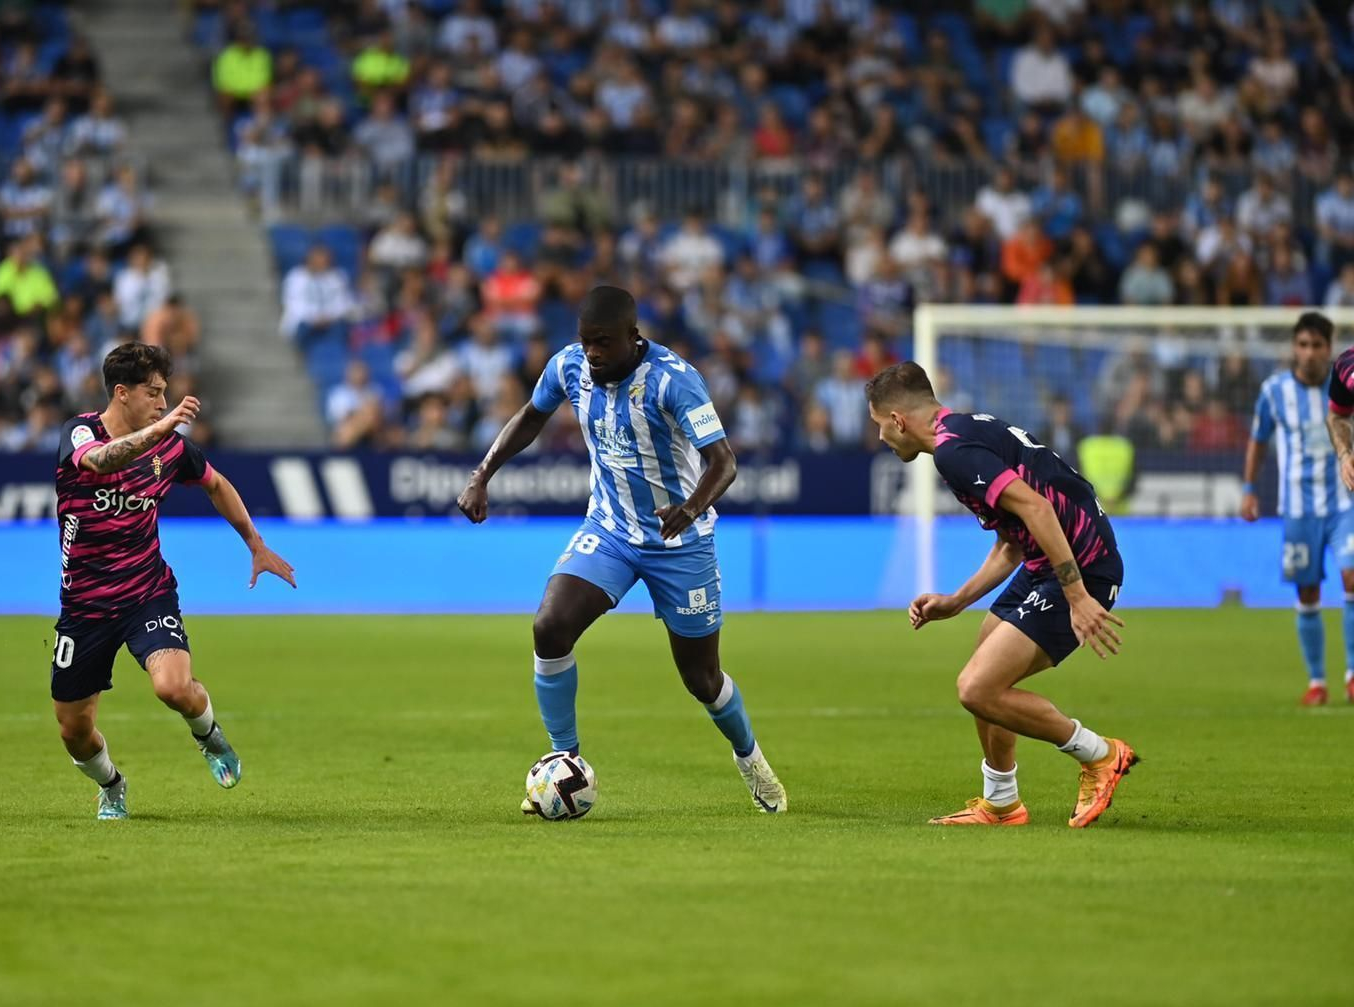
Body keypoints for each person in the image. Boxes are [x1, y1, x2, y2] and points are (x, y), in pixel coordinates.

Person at [456, 286, 787, 814]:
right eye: (586, 342)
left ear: (633, 337)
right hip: (609, 529)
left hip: (680, 541)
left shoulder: (674, 381)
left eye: (604, 343)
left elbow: (723, 461)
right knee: (550, 627)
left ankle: (751, 760)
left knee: (701, 679)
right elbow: (531, 416)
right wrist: (482, 475)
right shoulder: (569, 367)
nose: (593, 354)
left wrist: (691, 508)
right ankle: (565, 764)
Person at [864, 362, 1136, 829]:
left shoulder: (954, 453)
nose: (882, 440)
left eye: (879, 427)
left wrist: (1075, 593)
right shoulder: (967, 430)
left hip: (1081, 565)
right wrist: (956, 600)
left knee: (977, 688)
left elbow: (1038, 507)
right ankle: (1002, 803)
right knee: (983, 677)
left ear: (898, 420)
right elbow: (1013, 538)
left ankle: (1100, 755)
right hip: (1040, 564)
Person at [51, 343, 295, 819]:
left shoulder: (172, 449)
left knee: (173, 689)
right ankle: (112, 784)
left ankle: (209, 736)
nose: (163, 404)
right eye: (153, 393)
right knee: (73, 731)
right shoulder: (79, 432)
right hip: (84, 606)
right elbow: (100, 462)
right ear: (122, 394)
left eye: (165, 394)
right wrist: (164, 428)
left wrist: (255, 544)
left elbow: (216, 484)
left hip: (147, 592)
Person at [1242, 313, 1351, 704]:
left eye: (1316, 345)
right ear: (1294, 347)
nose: (1308, 354)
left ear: (1328, 347)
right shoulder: (1274, 391)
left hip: (1344, 502)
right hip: (1298, 508)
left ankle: (1353, 675)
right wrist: (1249, 488)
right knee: (1308, 592)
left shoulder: (1345, 386)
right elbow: (1258, 441)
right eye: (1302, 345)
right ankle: (1318, 682)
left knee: (1352, 578)